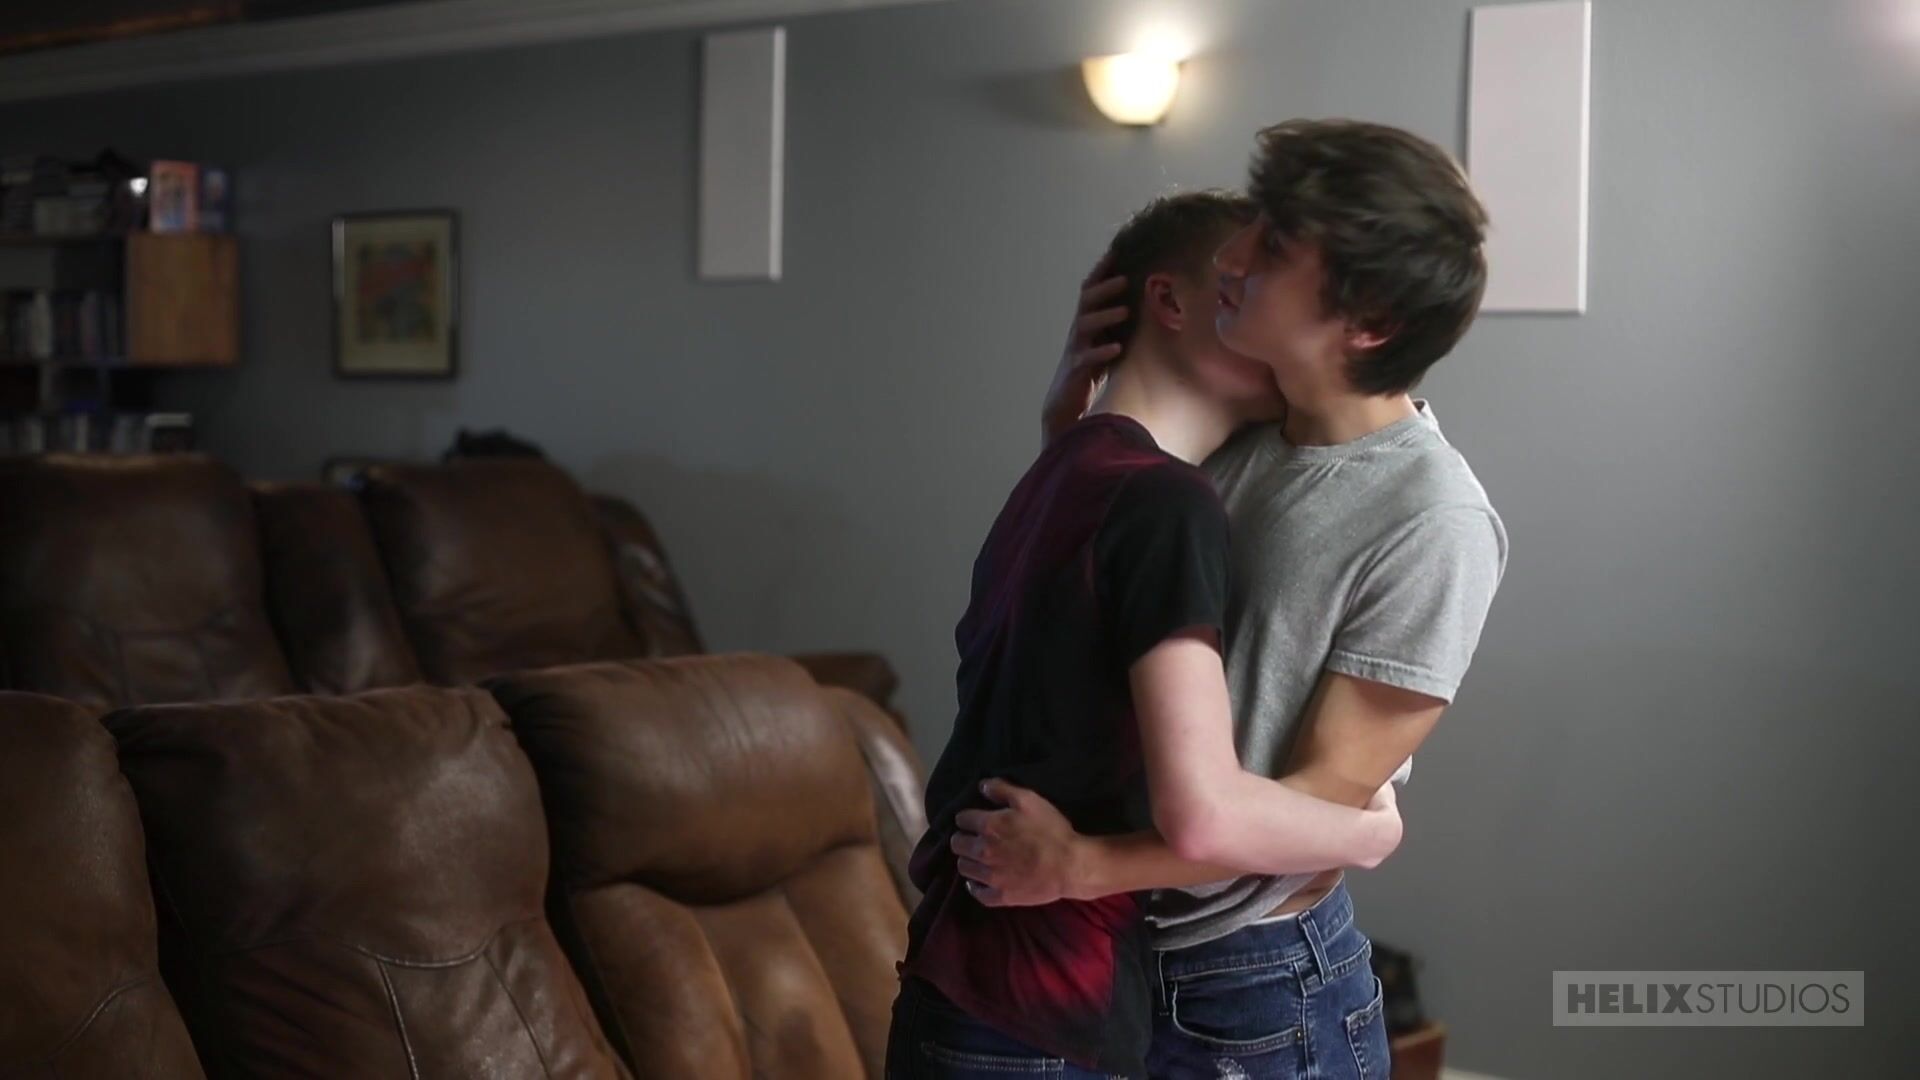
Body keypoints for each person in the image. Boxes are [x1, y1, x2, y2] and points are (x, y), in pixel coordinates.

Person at [959, 119, 1509, 1079]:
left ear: (1369, 323)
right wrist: (1072, 424)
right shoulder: (1232, 432)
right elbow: (1101, 609)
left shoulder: (1435, 520)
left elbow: (1312, 806)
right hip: (1115, 953)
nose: (1234, 255)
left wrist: (1083, 866)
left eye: (1275, 246)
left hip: (1259, 989)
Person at [885, 190, 1406, 1080]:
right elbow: (1201, 814)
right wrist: (1365, 834)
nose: (1282, 331)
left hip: (969, 985)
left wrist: (1065, 419)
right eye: (1240, 291)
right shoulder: (1164, 500)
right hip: (1037, 1014)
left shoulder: (1064, 469)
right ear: (1170, 301)